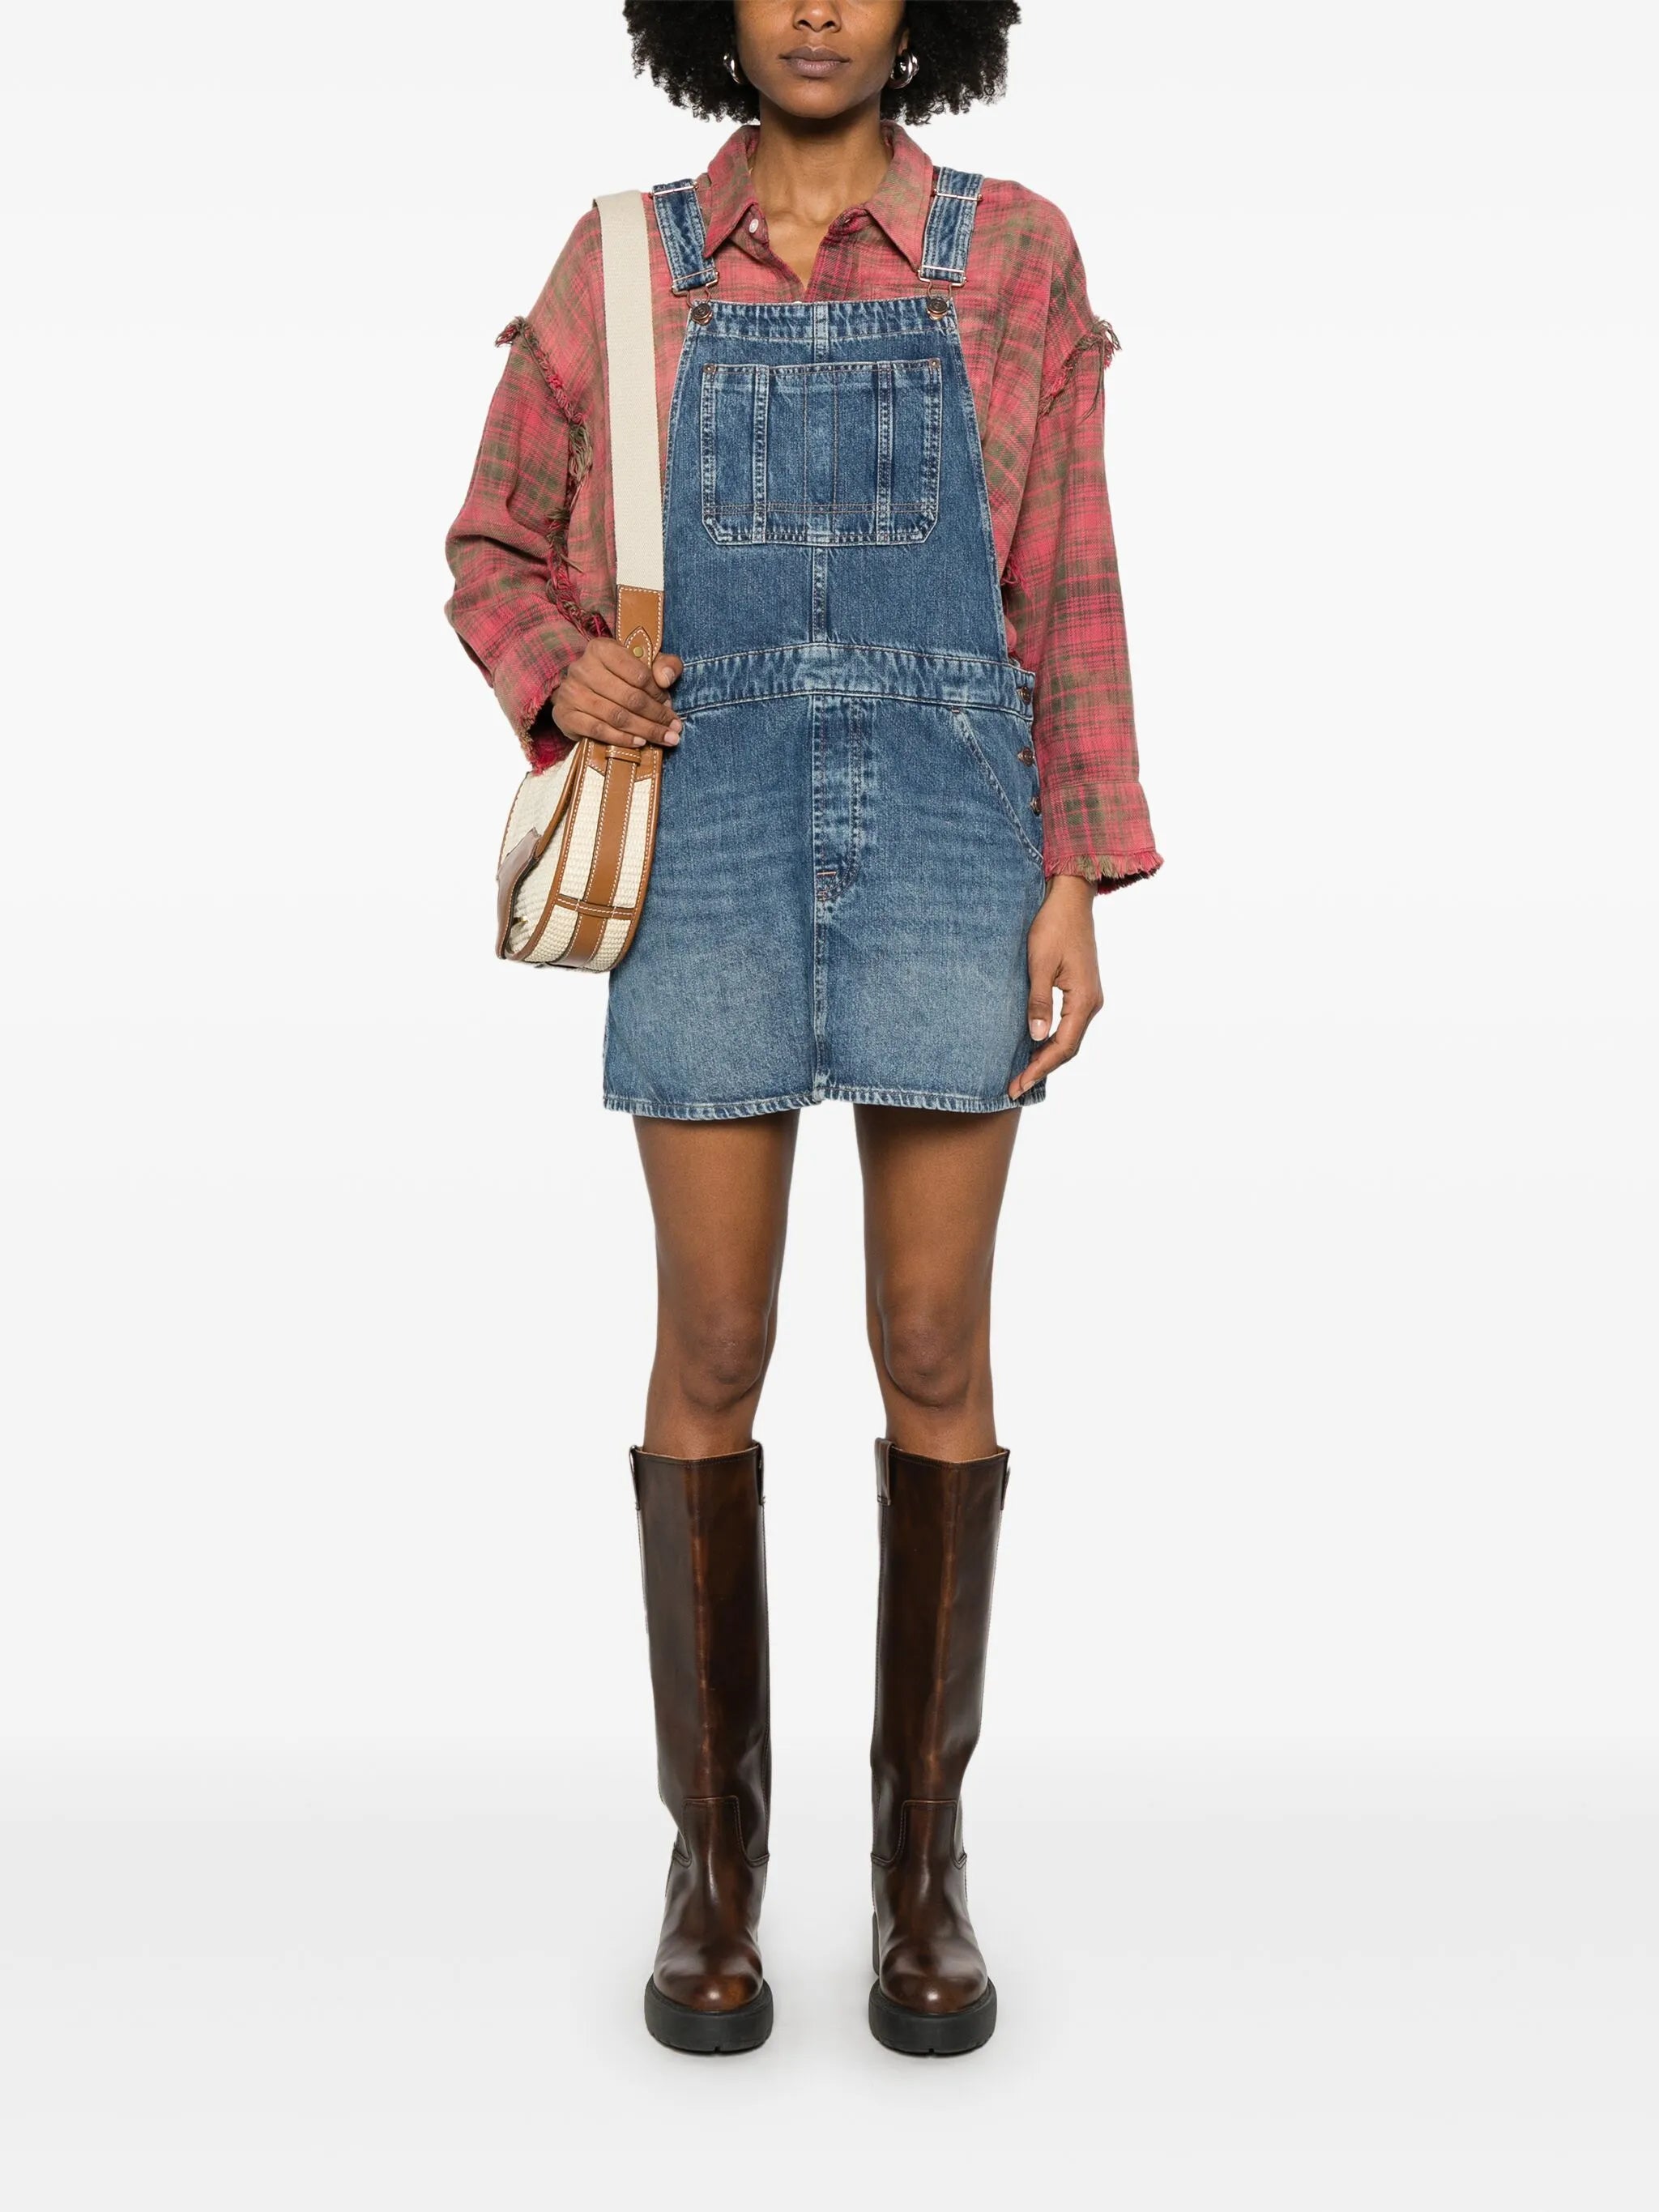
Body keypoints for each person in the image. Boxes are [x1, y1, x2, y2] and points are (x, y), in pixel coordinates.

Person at [442, 0, 1161, 2057]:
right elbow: (491, 544)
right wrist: (560, 666)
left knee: (933, 1342)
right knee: (714, 1342)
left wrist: (1076, 868)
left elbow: (1066, 580)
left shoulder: (1013, 254)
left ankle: (923, 1870)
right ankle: (714, 1870)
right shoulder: (624, 262)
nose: (817, 6)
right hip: (709, 826)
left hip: (954, 821)